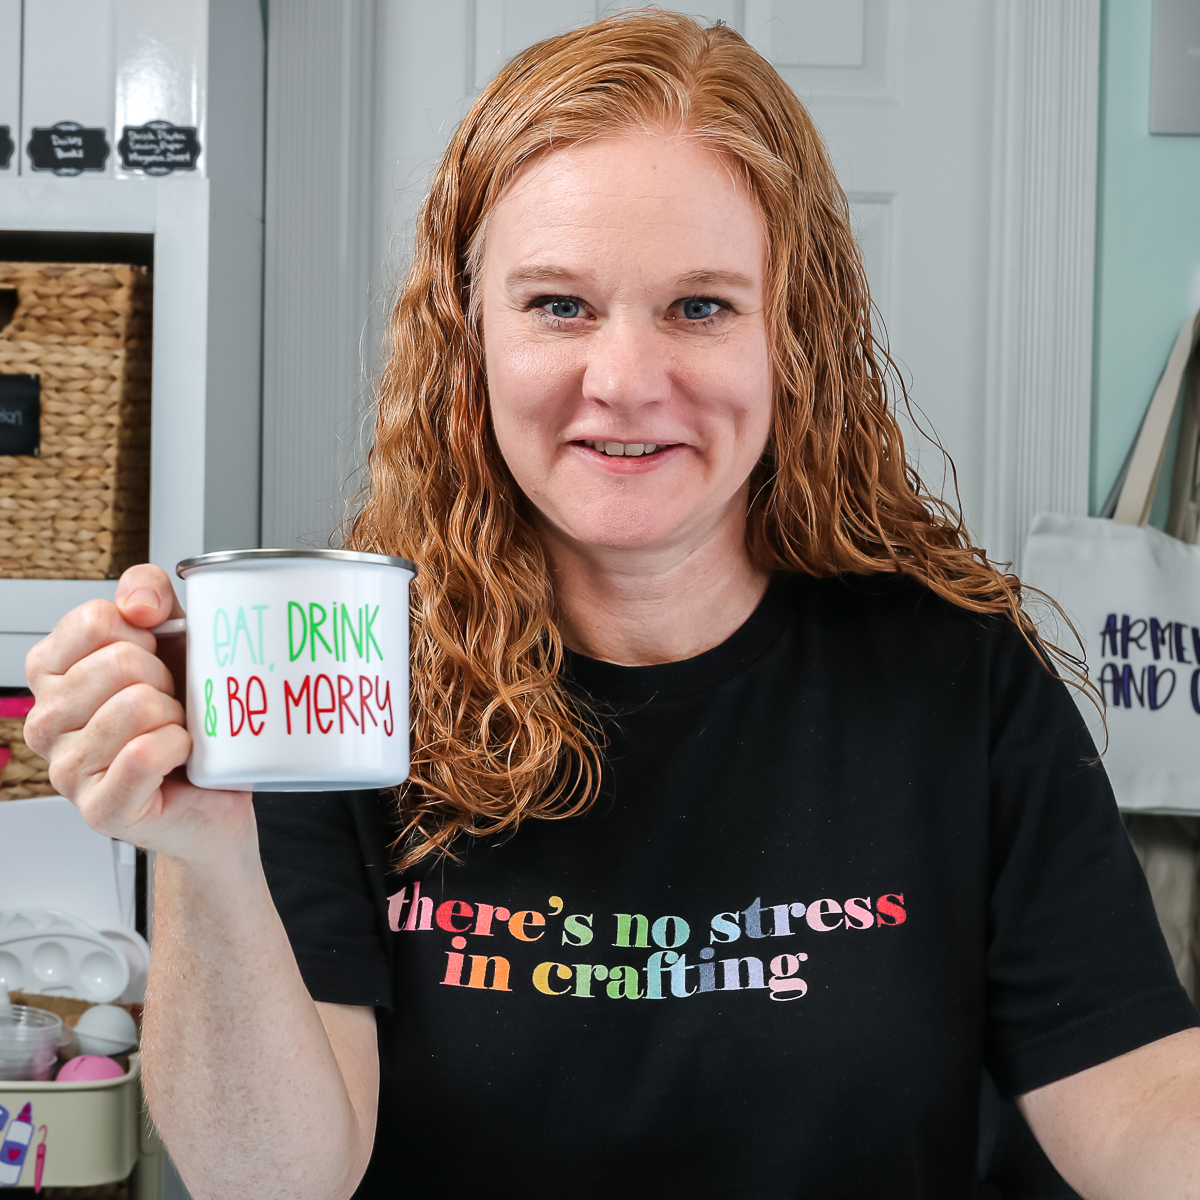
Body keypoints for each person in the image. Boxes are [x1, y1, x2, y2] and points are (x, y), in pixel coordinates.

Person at [22, 10, 1200, 1199]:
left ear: (794, 337)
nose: (627, 382)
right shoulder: (335, 683)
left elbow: (1140, 1093)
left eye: (701, 307)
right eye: (558, 305)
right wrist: (207, 855)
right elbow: (270, 1183)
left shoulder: (958, 678)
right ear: (467, 335)